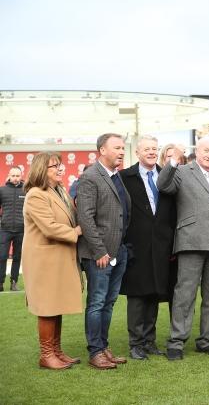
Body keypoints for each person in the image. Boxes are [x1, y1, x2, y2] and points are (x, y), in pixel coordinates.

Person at [156, 136, 209, 360]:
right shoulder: (182, 171)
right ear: (197, 151)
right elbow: (162, 185)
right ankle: (176, 342)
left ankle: (205, 340)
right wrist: (174, 160)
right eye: (206, 150)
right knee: (185, 294)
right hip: (191, 240)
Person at [21, 152, 83, 369]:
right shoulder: (36, 195)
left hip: (57, 258)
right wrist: (76, 232)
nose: (60, 169)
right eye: (54, 166)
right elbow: (49, 227)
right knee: (47, 307)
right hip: (44, 261)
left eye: (60, 165)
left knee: (56, 305)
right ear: (41, 170)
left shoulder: (58, 191)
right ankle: (46, 355)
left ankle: (56, 351)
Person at [119, 135, 177, 360]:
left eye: (155, 148)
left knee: (154, 293)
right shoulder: (125, 177)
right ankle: (135, 343)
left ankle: (149, 341)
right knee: (137, 296)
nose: (152, 152)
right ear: (138, 153)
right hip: (136, 245)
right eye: (147, 149)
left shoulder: (167, 176)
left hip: (161, 246)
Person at [77, 133, 131, 369]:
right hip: (99, 254)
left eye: (122, 148)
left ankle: (103, 346)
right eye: (117, 148)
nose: (121, 152)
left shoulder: (116, 175)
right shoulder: (90, 177)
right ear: (102, 150)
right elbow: (85, 218)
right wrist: (99, 251)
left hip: (118, 251)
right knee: (97, 303)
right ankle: (95, 351)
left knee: (108, 302)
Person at [0, 167, 25, 292]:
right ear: (9, 176)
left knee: (17, 257)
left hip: (21, 230)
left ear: (21, 176)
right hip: (5, 229)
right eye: (13, 175)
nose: (15, 178)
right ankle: (0, 282)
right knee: (2, 256)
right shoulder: (2, 190)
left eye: (17, 175)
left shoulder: (26, 190)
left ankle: (14, 282)